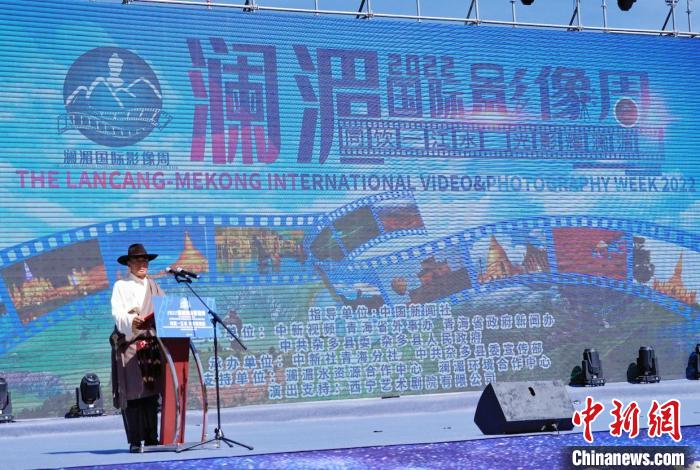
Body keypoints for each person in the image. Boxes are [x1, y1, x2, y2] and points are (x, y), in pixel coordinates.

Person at [109, 243, 164, 453]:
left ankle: (152, 438)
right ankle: (135, 440)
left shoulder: (155, 286)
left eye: (145, 260)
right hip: (131, 345)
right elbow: (118, 314)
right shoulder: (121, 286)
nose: (142, 264)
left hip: (151, 346)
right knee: (133, 393)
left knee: (151, 393)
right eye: (138, 260)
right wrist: (131, 321)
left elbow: (165, 310)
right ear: (129, 264)